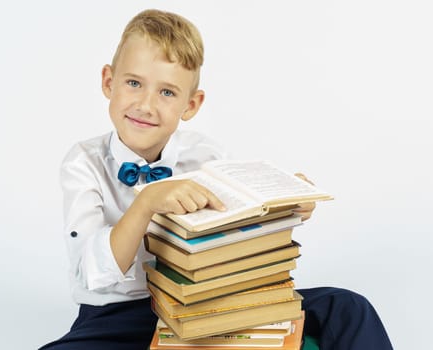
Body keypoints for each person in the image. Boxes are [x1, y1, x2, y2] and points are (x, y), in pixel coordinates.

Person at [39, 9, 393, 350]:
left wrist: (288, 207)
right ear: (108, 82)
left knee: (347, 307)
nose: (146, 105)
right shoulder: (83, 162)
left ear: (191, 105)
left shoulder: (204, 154)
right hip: (118, 313)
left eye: (167, 92)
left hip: (203, 304)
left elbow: (232, 225)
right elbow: (92, 273)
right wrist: (146, 202)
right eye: (134, 83)